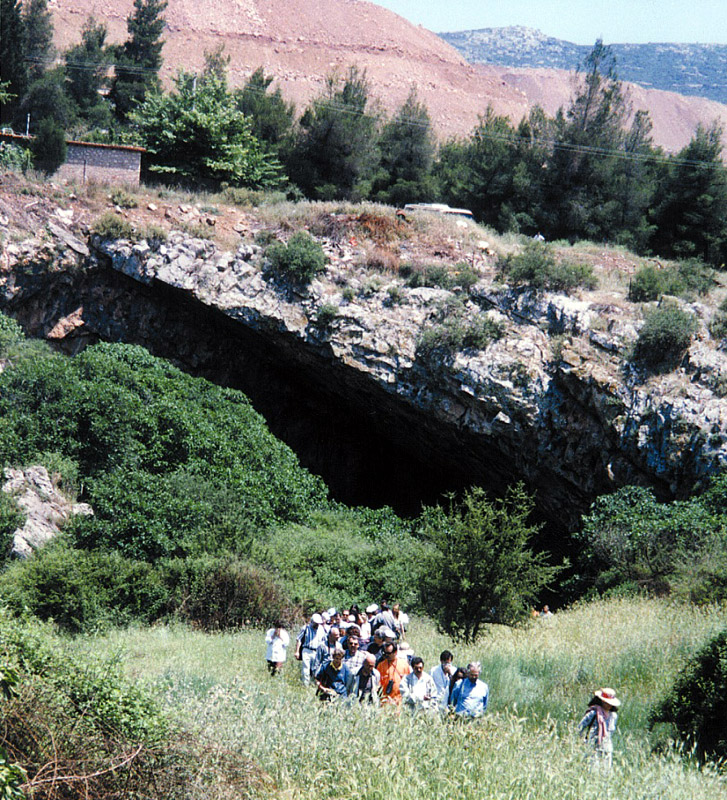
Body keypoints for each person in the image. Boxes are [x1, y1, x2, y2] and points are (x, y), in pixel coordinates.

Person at [577, 688, 621, 770]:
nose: (608, 705)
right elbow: (580, 727)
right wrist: (582, 740)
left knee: (606, 772)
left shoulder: (613, 716)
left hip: (607, 749)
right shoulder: (593, 713)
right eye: (606, 702)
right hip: (593, 748)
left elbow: (610, 732)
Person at [295, 613, 326, 686]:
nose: (317, 625)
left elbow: (324, 640)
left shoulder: (321, 629)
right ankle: (305, 684)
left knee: (315, 668)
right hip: (307, 650)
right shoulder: (306, 628)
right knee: (306, 668)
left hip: (316, 651)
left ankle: (313, 683)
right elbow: (299, 639)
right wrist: (297, 651)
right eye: (315, 623)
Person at [376, 642, 411, 707]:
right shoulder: (381, 665)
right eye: (385, 653)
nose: (387, 655)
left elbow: (409, 683)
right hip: (385, 702)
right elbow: (378, 683)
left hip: (399, 702)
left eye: (389, 653)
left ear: (395, 652)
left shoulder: (404, 665)